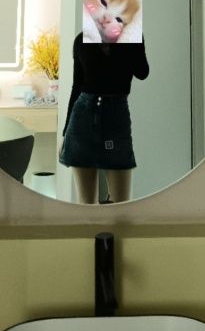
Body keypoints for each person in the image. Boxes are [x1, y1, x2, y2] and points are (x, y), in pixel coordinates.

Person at [59, 32, 149, 203]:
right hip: (82, 119)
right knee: (86, 205)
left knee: (121, 205)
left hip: (116, 120)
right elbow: (77, 86)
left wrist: (133, 36)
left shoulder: (130, 37)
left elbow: (142, 72)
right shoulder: (82, 39)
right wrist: (65, 133)